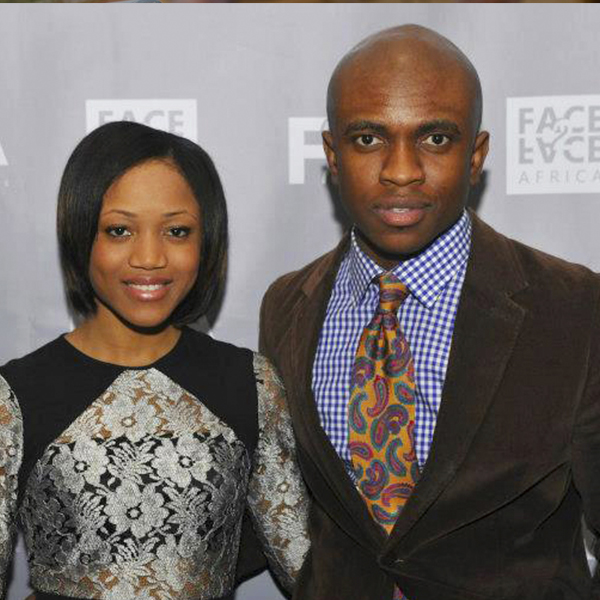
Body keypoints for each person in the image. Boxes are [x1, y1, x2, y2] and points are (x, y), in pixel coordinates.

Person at [259, 24, 600, 600]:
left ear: (476, 155)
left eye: (436, 139)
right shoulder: (287, 305)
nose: (401, 170)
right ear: (332, 155)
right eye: (368, 138)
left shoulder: (575, 309)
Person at [0, 121, 309, 600]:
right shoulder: (14, 396)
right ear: (81, 234)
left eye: (177, 231)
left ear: (206, 240)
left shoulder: (250, 383)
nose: (149, 257)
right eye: (119, 230)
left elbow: (306, 569)